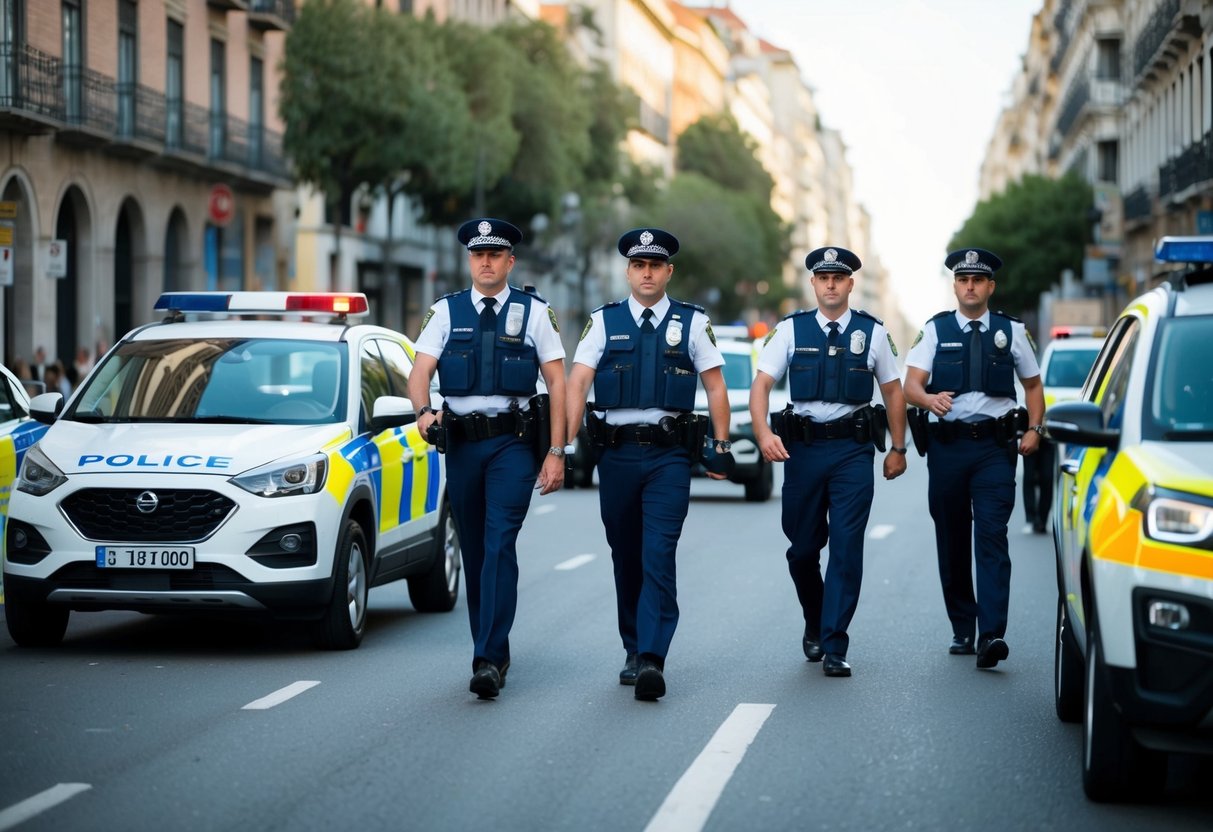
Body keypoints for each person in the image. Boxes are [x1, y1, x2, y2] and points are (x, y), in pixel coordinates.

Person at [565, 227, 732, 701]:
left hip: (669, 456)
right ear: (628, 272)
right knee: (626, 555)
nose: (646, 273)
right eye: (639, 265)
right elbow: (578, 383)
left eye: (655, 266)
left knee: (658, 552)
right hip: (615, 454)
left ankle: (653, 658)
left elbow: (715, 386)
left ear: (668, 271)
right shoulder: (604, 321)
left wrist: (720, 445)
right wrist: (561, 447)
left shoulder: (692, 322)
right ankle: (633, 647)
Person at [408, 217, 567, 700]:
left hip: (512, 445)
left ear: (510, 262)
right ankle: (491, 647)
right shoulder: (445, 311)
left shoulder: (535, 312)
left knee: (499, 544)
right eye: (478, 255)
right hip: (461, 445)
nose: (486, 262)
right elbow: (420, 373)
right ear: (469, 260)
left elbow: (557, 382)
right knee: (475, 552)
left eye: (495, 255)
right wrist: (423, 413)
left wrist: (557, 450)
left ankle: (488, 658)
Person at [750, 246, 907, 679]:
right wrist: (763, 433)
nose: (831, 284)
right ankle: (815, 618)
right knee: (802, 550)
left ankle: (835, 643)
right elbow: (762, 385)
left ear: (851, 284)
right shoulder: (790, 330)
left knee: (846, 546)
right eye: (824, 278)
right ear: (814, 284)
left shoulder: (872, 332)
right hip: (802, 451)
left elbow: (893, 391)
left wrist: (898, 448)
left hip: (852, 452)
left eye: (839, 277)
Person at [903, 247, 1045, 670]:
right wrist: (929, 400)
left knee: (992, 534)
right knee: (952, 538)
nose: (970, 287)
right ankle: (963, 626)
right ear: (955, 286)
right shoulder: (935, 330)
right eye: (963, 280)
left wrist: (1034, 429)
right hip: (948, 447)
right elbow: (911, 385)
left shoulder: (1011, 331)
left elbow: (1033, 386)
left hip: (995, 450)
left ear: (990, 286)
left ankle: (991, 634)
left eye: (978, 280)